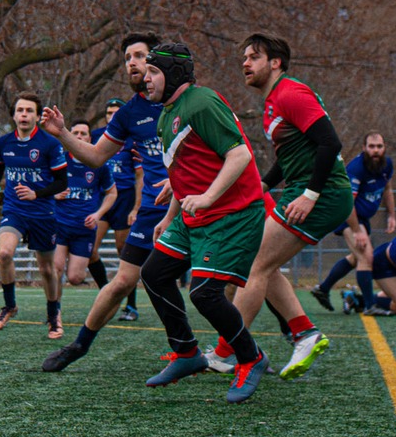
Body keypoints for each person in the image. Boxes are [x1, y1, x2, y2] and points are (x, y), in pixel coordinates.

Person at [129, 44, 271, 403]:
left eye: (154, 72)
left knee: (204, 293)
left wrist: (207, 198)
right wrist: (169, 216)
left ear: (175, 73)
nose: (146, 79)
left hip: (233, 214)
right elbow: (187, 173)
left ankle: (250, 357)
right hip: (194, 216)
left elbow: (239, 155)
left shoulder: (203, 102)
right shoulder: (166, 115)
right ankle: (187, 353)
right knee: (154, 274)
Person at [37, 34, 184, 372]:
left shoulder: (182, 101)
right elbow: (95, 156)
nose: (131, 63)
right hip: (152, 211)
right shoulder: (130, 113)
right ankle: (79, 345)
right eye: (127, 57)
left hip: (192, 204)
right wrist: (61, 133)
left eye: (139, 56)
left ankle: (244, 348)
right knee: (123, 281)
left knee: (215, 282)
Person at [219, 34, 346, 379]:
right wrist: (261, 186)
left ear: (275, 62)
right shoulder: (274, 101)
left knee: (254, 264)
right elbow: (289, 156)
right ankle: (304, 332)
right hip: (298, 191)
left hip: (324, 194)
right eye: (244, 57)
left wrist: (311, 194)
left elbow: (330, 142)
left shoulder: (290, 93)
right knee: (265, 264)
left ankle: (226, 352)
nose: (245, 63)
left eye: (254, 57)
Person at [0, 94, 70, 335]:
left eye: (29, 110)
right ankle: (9, 306)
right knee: (4, 253)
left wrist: (37, 194)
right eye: (20, 110)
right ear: (13, 115)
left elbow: (61, 183)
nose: (24, 115)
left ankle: (53, 314)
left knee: (47, 270)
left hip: (43, 212)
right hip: (14, 209)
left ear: (38, 116)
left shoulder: (50, 144)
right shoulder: (3, 143)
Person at [312, 132, 396, 311]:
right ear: (364, 148)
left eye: (379, 146)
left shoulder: (386, 164)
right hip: (346, 215)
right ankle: (370, 305)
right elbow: (348, 201)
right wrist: (357, 230)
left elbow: (387, 189)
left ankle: (323, 288)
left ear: (384, 148)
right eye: (371, 146)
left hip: (363, 218)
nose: (375, 150)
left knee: (355, 257)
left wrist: (391, 215)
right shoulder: (356, 168)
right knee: (366, 257)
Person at [50, 121, 117, 336]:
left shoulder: (99, 165)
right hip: (59, 225)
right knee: (55, 268)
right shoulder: (58, 161)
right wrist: (52, 193)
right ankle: (55, 314)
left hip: (84, 230)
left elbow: (112, 193)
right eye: (75, 132)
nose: (79, 136)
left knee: (75, 278)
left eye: (83, 133)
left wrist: (97, 215)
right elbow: (39, 187)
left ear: (90, 138)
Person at [90, 98, 139, 318]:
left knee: (125, 253)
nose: (112, 115)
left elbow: (140, 176)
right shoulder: (97, 136)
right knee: (90, 250)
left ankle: (131, 305)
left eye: (116, 112)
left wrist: (136, 207)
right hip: (103, 199)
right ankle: (107, 295)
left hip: (125, 198)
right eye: (109, 112)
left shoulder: (132, 137)